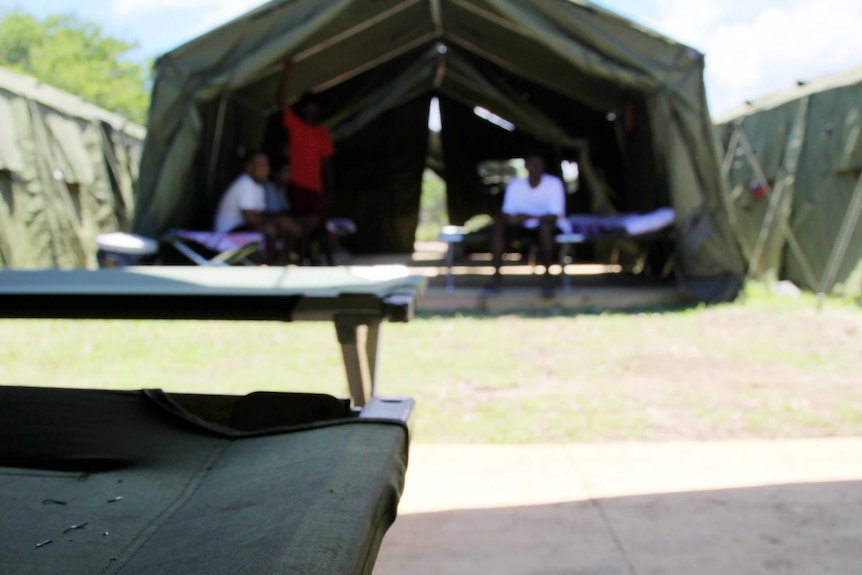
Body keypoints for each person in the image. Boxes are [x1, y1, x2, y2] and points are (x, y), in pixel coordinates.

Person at [482, 152, 571, 298]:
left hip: (548, 228)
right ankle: (496, 277)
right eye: (533, 164)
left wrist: (530, 216)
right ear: (526, 166)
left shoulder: (553, 183)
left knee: (544, 228)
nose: (536, 167)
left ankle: (547, 278)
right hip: (521, 228)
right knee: (498, 226)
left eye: (539, 164)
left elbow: (555, 215)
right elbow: (507, 212)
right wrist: (514, 218)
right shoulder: (515, 185)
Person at [279, 60, 336, 263]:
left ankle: (321, 260)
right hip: (298, 188)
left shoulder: (322, 133)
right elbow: (282, 102)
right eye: (308, 107)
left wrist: (329, 189)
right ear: (303, 109)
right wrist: (286, 75)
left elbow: (327, 163)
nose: (311, 110)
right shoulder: (296, 127)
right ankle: (303, 258)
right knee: (307, 224)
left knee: (319, 225)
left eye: (314, 107)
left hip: (315, 190)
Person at [213, 151, 300, 265]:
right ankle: (270, 264)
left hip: (242, 227)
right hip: (228, 232)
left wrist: (281, 220)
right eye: (261, 166)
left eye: (267, 166)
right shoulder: (245, 183)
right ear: (249, 167)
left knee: (284, 225)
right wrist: (278, 221)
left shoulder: (258, 186)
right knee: (270, 230)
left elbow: (262, 213)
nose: (266, 170)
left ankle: (284, 261)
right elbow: (252, 219)